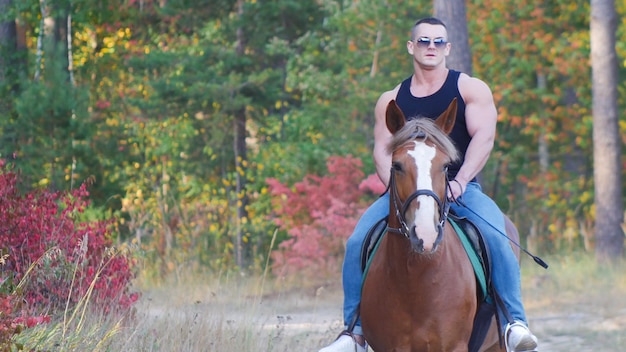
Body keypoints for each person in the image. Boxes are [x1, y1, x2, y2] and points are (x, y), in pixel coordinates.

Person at [319, 17, 538, 352]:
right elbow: (382, 149)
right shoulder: (391, 99)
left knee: (497, 235)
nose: (431, 47)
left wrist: (461, 180)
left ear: (448, 48)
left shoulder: (469, 89)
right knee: (356, 242)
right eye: (424, 41)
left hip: (458, 189)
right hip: (406, 191)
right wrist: (394, 190)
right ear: (411, 47)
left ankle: (513, 323)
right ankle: (354, 332)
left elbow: (485, 137)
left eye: (438, 42)